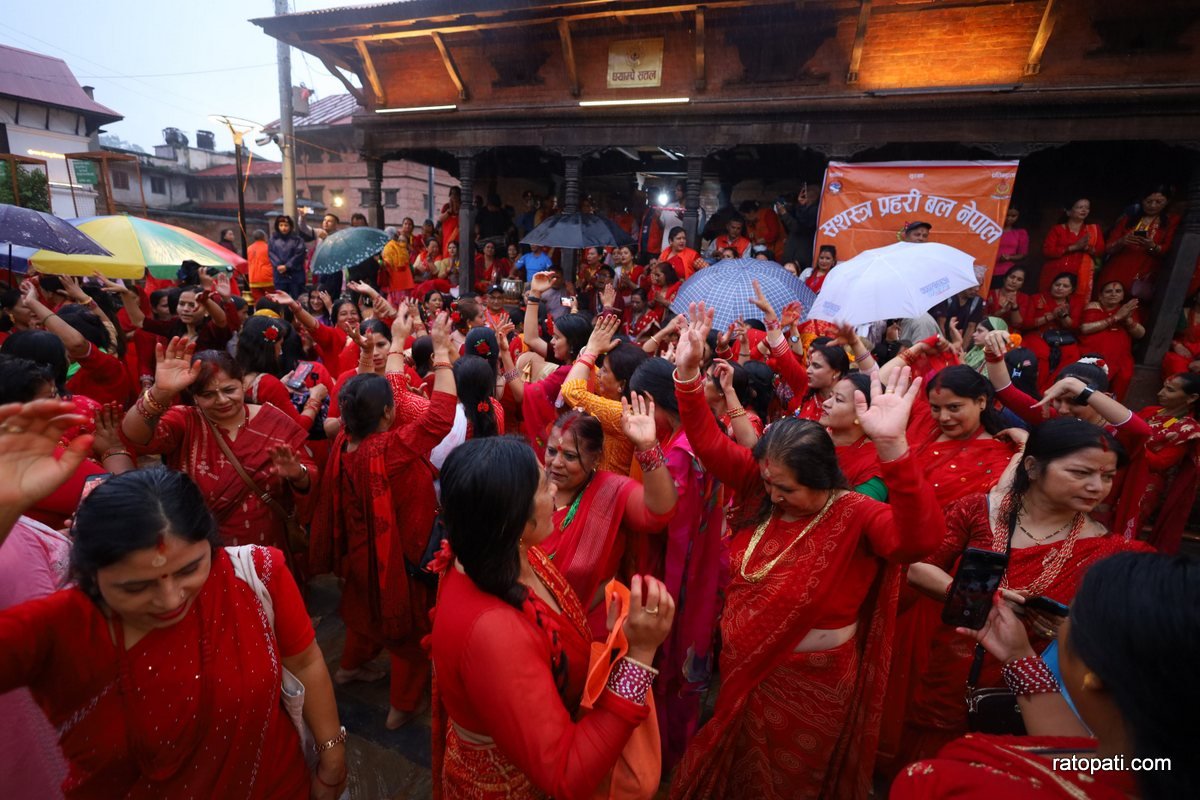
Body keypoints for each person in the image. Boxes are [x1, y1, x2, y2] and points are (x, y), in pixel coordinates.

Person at [670, 302, 946, 800]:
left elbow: (921, 542)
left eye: (788, 490)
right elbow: (710, 446)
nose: (773, 496)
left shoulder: (856, 514)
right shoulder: (762, 486)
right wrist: (688, 376)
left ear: (823, 480)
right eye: (770, 483)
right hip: (743, 671)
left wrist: (894, 453)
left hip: (813, 686)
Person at [0, 403, 347, 798]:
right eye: (135, 587)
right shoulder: (60, 627)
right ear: (88, 572)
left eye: (189, 570)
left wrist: (332, 757)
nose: (170, 599)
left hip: (278, 784)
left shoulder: (256, 574)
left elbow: (303, 660)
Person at [895, 417, 1153, 767]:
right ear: (1032, 467)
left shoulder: (1113, 552)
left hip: (1033, 696)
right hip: (951, 671)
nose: (1097, 487)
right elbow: (919, 568)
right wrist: (982, 599)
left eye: (1107, 477)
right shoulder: (980, 509)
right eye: (1081, 473)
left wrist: (1065, 628)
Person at [428, 435, 676, 798]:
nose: (556, 490)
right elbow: (566, 775)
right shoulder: (494, 633)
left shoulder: (510, 552)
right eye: (545, 486)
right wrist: (639, 656)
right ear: (514, 522)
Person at [893, 551, 1200, 800]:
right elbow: (1082, 756)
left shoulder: (948, 785)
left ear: (1096, 671)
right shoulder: (1154, 764)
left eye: (1073, 616)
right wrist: (1018, 657)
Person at [310, 314, 457, 729]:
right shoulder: (388, 450)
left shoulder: (345, 440)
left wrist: (394, 342)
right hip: (400, 554)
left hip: (362, 551)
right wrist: (442, 353)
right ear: (390, 414)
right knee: (406, 629)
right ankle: (401, 708)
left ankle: (349, 668)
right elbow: (440, 417)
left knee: (362, 610)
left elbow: (370, 392)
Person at [120, 340, 316, 556]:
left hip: (267, 548)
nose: (222, 400)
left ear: (242, 384)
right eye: (208, 395)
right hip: (203, 549)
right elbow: (133, 433)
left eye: (229, 390)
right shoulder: (185, 421)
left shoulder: (275, 421)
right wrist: (159, 392)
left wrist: (298, 474)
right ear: (194, 397)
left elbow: (311, 477)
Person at [538, 401, 678, 636]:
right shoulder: (532, 488)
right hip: (532, 627)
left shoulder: (610, 492)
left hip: (590, 634)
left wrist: (647, 447)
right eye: (552, 451)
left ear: (596, 458)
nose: (556, 463)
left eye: (570, 456)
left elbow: (658, 513)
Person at [1111, 373, 1200, 553]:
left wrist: (1133, 444)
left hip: (1145, 485)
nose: (1160, 393)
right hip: (1119, 472)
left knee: (1123, 532)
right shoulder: (1150, 411)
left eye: (1170, 390)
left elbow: (1161, 463)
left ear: (1192, 398)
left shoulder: (1188, 428)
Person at [559, 315, 649, 475]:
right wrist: (591, 349)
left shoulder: (622, 413)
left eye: (605, 370)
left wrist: (592, 350)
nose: (599, 373)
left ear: (621, 384)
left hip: (610, 491)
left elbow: (571, 391)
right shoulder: (618, 397)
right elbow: (587, 369)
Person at [1097, 185, 1178, 301]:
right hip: (1117, 268)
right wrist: (1121, 241)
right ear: (1142, 201)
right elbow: (1108, 247)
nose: (1153, 205)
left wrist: (1152, 246)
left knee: (1134, 306)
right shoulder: (1128, 220)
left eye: (1159, 202)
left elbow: (1168, 251)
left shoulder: (1171, 222)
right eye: (1148, 201)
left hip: (1144, 272)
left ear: (1167, 202)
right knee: (1107, 301)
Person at [820, 372, 887, 500]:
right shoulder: (814, 436)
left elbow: (859, 512)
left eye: (838, 399)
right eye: (830, 396)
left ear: (861, 414)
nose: (826, 403)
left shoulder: (874, 464)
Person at [1077, 281, 1144, 400]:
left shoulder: (1128, 310)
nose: (1113, 294)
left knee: (1124, 376)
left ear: (1123, 296)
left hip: (1121, 356)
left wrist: (1127, 319)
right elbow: (1085, 328)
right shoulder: (1094, 306)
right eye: (1109, 291)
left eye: (1118, 291)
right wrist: (1116, 317)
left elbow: (1140, 334)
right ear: (1100, 296)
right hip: (1095, 353)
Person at [1019, 272, 1084, 390]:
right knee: (1042, 355)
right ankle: (1034, 390)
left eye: (1065, 286)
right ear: (1052, 285)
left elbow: (1074, 326)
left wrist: (1064, 316)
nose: (1060, 288)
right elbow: (1026, 323)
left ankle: (1049, 390)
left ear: (1072, 289)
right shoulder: (1037, 298)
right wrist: (1050, 316)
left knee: (1072, 355)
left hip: (1061, 338)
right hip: (1037, 335)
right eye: (1057, 284)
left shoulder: (1075, 302)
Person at [1040, 198, 1104, 298]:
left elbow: (1100, 251)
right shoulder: (1057, 229)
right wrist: (1073, 247)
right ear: (1069, 211)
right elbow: (1047, 251)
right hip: (1055, 271)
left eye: (1087, 208)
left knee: (1076, 303)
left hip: (1081, 274)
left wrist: (1087, 248)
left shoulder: (1093, 230)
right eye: (1080, 207)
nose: (1084, 210)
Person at [268, 215, 313, 299]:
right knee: (281, 299)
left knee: (297, 299)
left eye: (286, 225)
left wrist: (287, 266)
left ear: (290, 226)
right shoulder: (273, 239)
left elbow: (299, 255)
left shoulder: (297, 239)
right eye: (281, 225)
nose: (283, 228)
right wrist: (279, 265)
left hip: (295, 275)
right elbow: (271, 254)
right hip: (280, 275)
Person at [992, 206, 1029, 284]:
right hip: (987, 269)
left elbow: (1022, 254)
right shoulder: (989, 229)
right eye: (1007, 215)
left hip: (1006, 272)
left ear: (1018, 217)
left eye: (1013, 216)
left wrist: (1009, 257)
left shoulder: (1020, 233)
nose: (1009, 218)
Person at [381, 225, 414, 304]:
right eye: (399, 240)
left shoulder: (389, 248)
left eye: (403, 241)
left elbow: (387, 264)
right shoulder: (400, 249)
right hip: (401, 283)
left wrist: (379, 261)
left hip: (398, 283)